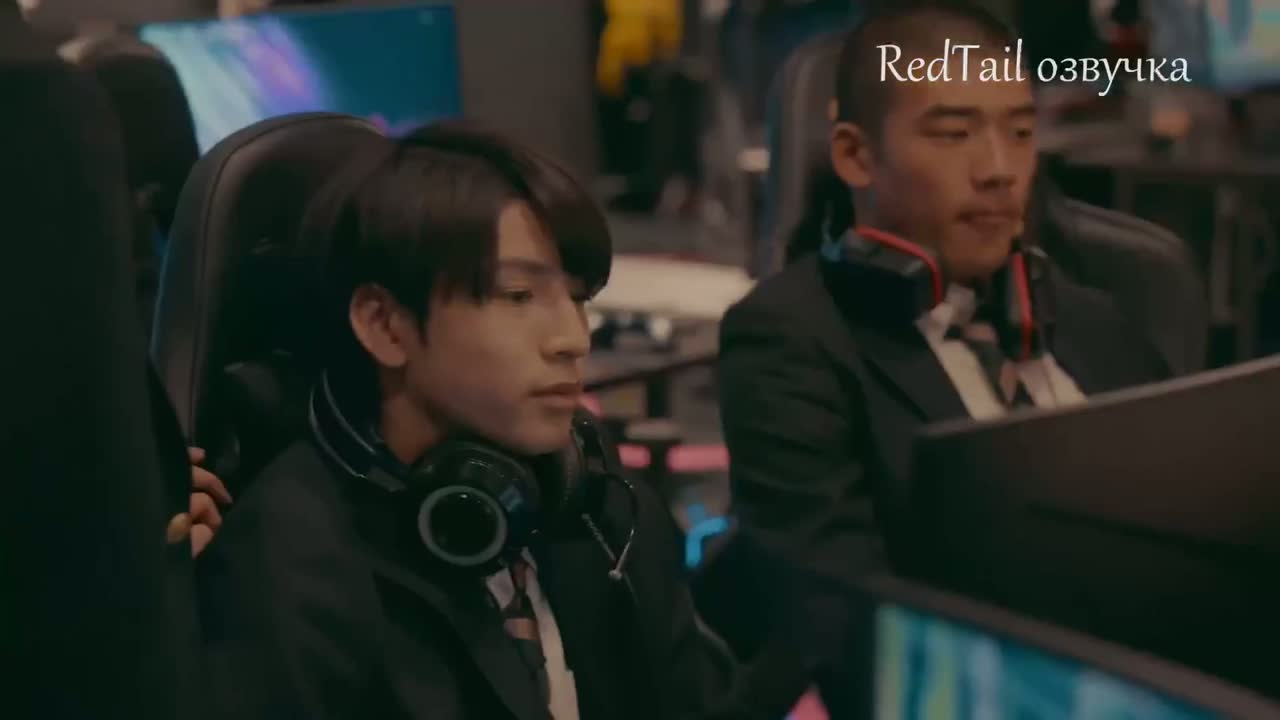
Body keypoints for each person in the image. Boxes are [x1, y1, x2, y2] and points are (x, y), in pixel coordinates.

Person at [709, 1, 1170, 716]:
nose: (1000, 170)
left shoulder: (1097, 320)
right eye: (955, 134)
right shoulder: (790, 341)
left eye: (1021, 133)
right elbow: (843, 622)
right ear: (856, 156)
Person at [195, 124, 730, 720]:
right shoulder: (290, 569)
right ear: (385, 324)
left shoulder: (593, 498)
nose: (572, 340)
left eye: (579, 299)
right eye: (519, 296)